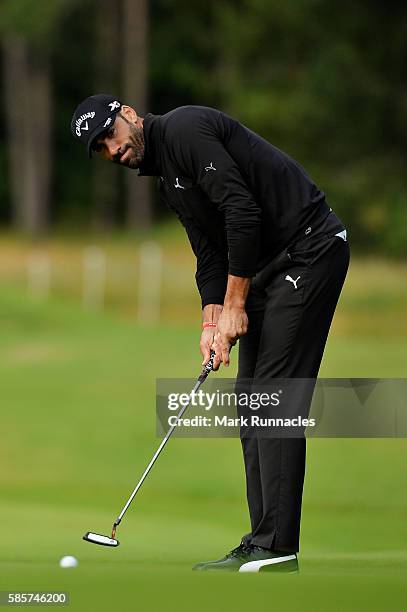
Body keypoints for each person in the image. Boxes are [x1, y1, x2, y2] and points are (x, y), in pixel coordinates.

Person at [71, 94, 350, 573]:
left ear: (130, 115)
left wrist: (236, 306)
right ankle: (263, 538)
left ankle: (278, 547)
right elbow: (211, 255)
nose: (112, 151)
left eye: (110, 136)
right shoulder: (168, 182)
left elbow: (242, 212)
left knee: (274, 398)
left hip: (310, 251)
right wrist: (211, 321)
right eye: (101, 149)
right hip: (269, 269)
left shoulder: (183, 129)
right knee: (250, 399)